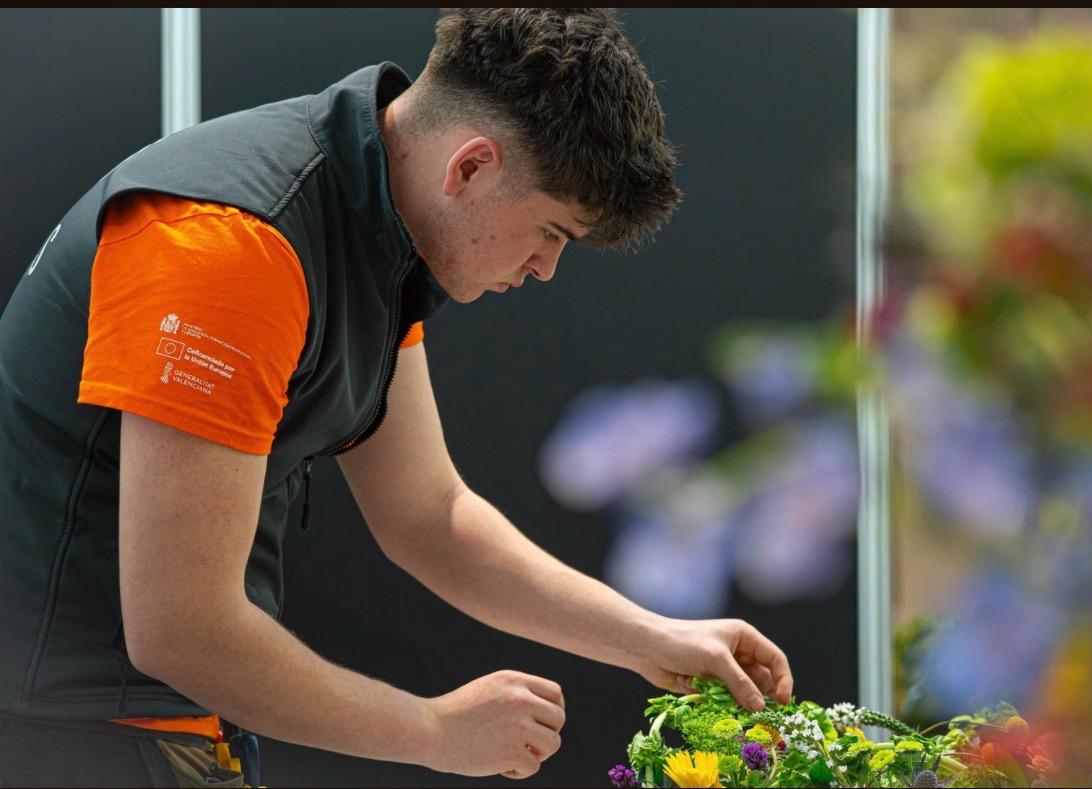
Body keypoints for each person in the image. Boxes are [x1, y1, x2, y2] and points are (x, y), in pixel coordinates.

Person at [0, 8, 794, 786]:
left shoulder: (373, 223)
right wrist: (435, 732)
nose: (545, 268)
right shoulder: (231, 243)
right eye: (551, 231)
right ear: (471, 167)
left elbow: (429, 514)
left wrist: (653, 638)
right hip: (59, 735)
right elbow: (182, 630)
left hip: (167, 729)